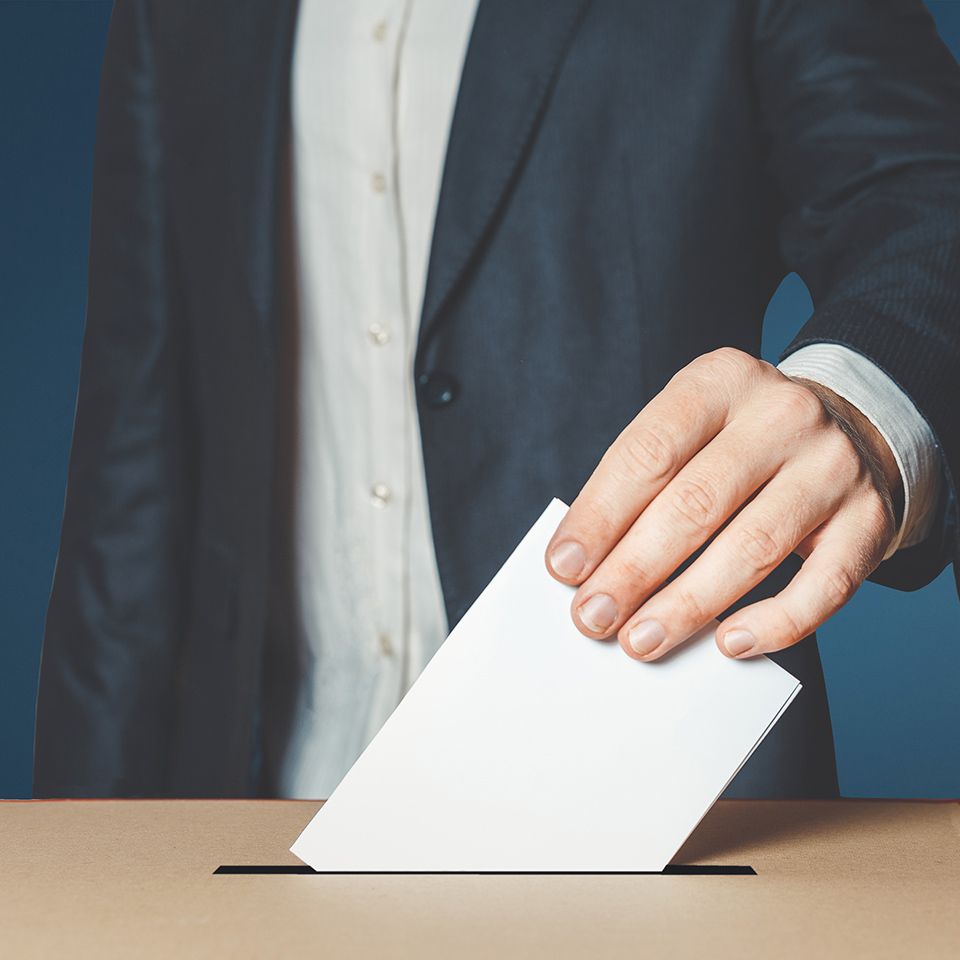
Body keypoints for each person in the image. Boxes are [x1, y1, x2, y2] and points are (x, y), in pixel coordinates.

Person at [33, 0, 960, 800]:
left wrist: (862, 401)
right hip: (262, 805)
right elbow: (134, 465)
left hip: (664, 803)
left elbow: (923, 192)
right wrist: (72, 874)